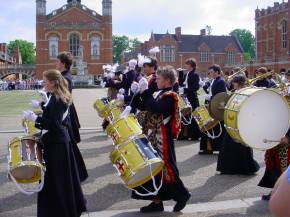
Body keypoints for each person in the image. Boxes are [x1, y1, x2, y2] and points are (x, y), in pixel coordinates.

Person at [23, 69, 86, 217]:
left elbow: (56, 125)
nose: (43, 83)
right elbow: (53, 117)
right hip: (56, 143)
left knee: (58, 183)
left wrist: (35, 119)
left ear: (52, 83)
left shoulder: (58, 98)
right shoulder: (54, 96)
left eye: (45, 81)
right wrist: (42, 107)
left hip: (57, 146)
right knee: (55, 183)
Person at [131, 66, 191, 213]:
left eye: (159, 78)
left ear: (167, 81)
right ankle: (157, 202)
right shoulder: (160, 93)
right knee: (154, 170)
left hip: (162, 139)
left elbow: (156, 108)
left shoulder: (170, 96)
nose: (156, 80)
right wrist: (136, 94)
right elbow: (145, 106)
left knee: (167, 169)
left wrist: (145, 92)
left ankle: (183, 195)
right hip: (153, 136)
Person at [217, 75, 260, 175]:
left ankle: (241, 168)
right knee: (230, 145)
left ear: (239, 82)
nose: (232, 84)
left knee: (240, 146)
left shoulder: (246, 92)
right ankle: (231, 168)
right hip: (233, 121)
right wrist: (225, 106)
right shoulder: (235, 92)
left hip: (242, 122)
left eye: (234, 82)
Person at [56, 52, 88, 182]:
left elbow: (63, 97)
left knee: (70, 146)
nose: (55, 63)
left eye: (57, 61)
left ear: (63, 63)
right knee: (70, 147)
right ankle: (76, 174)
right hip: (66, 112)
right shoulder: (64, 76)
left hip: (65, 114)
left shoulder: (65, 78)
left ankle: (77, 174)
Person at [199, 64, 227, 155]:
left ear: (217, 72)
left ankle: (216, 148)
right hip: (211, 106)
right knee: (209, 127)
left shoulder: (221, 81)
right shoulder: (214, 80)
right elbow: (211, 92)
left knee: (215, 127)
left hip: (216, 109)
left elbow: (221, 97)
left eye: (211, 72)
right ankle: (208, 148)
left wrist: (210, 97)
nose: (209, 74)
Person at [178, 58, 201, 140]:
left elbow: (195, 87)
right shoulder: (186, 74)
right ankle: (185, 134)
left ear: (191, 65)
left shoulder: (195, 74)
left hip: (192, 98)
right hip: (186, 97)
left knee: (193, 116)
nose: (185, 66)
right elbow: (180, 83)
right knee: (185, 115)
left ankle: (194, 135)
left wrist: (185, 90)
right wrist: (180, 73)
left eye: (187, 64)